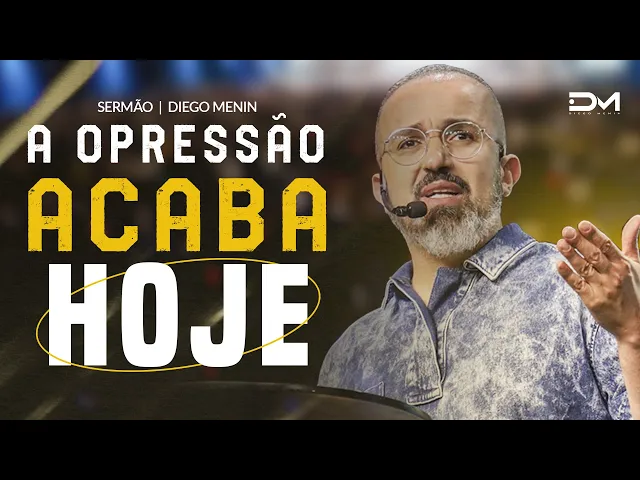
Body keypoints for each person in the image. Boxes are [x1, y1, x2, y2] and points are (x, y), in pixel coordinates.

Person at [317, 64, 640, 420]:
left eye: (462, 135)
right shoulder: (348, 356)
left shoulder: (594, 297)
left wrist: (634, 335)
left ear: (506, 174)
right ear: (382, 191)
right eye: (408, 143)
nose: (435, 160)